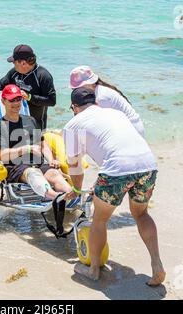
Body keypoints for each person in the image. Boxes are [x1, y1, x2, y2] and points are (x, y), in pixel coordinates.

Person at [63, 87, 165, 286]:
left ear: (74, 107)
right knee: (141, 214)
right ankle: (157, 265)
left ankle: (93, 270)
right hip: (148, 165)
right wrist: (98, 185)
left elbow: (75, 168)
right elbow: (119, 148)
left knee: (99, 220)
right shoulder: (115, 113)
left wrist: (76, 191)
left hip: (117, 169)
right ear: (96, 103)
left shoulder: (72, 125)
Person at [0, 84, 72, 233]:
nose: (16, 103)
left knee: (54, 174)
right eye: (11, 100)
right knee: (33, 173)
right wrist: (25, 149)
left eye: (18, 99)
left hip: (37, 161)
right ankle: (55, 197)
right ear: (3, 102)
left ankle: (68, 193)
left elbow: (42, 144)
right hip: (16, 167)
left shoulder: (30, 120)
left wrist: (51, 159)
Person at [0, 45, 56, 131]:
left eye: (14, 62)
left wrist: (30, 97)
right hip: (19, 121)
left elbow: (52, 101)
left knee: (35, 142)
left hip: (37, 123)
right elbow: (1, 83)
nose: (13, 64)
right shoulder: (14, 72)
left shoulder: (43, 76)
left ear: (23, 63)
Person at [69, 65, 145, 137]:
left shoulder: (101, 97)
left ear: (92, 83)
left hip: (132, 130)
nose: (77, 90)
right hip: (126, 128)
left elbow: (93, 125)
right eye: (75, 88)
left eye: (79, 87)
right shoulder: (97, 91)